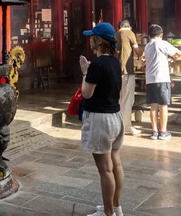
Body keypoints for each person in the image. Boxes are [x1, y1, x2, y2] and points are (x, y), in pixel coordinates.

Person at [80, 22, 124, 216]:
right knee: (116, 164)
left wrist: (85, 72)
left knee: (105, 170)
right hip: (116, 116)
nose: (90, 40)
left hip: (100, 120)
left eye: (92, 37)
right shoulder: (115, 61)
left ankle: (107, 214)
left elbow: (86, 94)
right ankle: (116, 207)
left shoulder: (96, 65)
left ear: (98, 41)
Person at [144, 24, 181, 140]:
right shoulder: (162, 43)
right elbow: (179, 52)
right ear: (161, 35)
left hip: (150, 79)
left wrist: (169, 59)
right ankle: (163, 131)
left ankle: (154, 131)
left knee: (153, 106)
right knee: (163, 105)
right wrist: (174, 57)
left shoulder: (147, 46)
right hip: (162, 78)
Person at [116, 20, 143, 135]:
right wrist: (142, 54)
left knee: (119, 99)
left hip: (116, 71)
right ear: (129, 26)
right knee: (127, 100)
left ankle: (118, 125)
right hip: (126, 71)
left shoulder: (115, 35)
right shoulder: (129, 33)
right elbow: (137, 51)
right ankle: (126, 126)